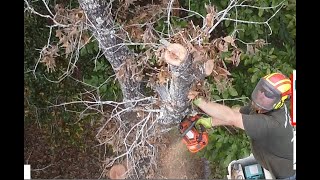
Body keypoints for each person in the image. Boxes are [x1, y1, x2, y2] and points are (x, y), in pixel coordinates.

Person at [193, 72, 296, 179]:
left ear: (280, 100)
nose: (261, 95)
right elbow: (237, 112)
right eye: (262, 89)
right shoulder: (264, 107)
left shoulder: (272, 124)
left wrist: (201, 102)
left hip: (284, 174)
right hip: (271, 160)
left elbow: (232, 118)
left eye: (269, 94)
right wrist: (211, 121)